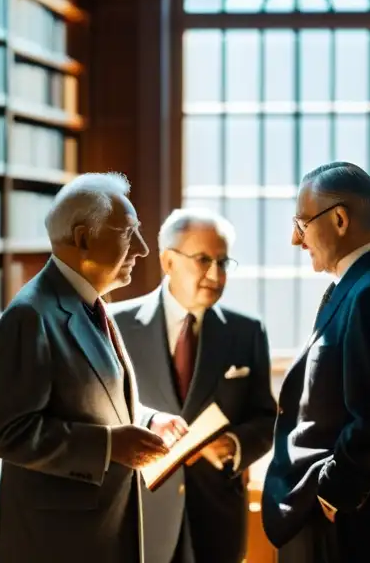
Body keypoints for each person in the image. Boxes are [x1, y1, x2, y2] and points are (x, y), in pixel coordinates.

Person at [0, 172, 189, 563]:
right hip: (56, 544)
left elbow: (85, 398)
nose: (143, 249)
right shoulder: (30, 316)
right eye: (129, 234)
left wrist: (146, 422)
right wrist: (111, 446)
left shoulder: (91, 302)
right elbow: (7, 433)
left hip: (96, 531)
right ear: (82, 238)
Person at [261, 161, 370, 562]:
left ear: (339, 218)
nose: (294, 239)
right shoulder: (358, 286)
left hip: (355, 530)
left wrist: (331, 494)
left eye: (302, 223)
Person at [112, 208, 277, 563]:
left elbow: (266, 418)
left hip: (216, 519)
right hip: (139, 515)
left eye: (223, 262)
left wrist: (233, 445)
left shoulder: (246, 332)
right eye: (203, 260)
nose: (215, 274)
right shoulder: (116, 325)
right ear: (168, 261)